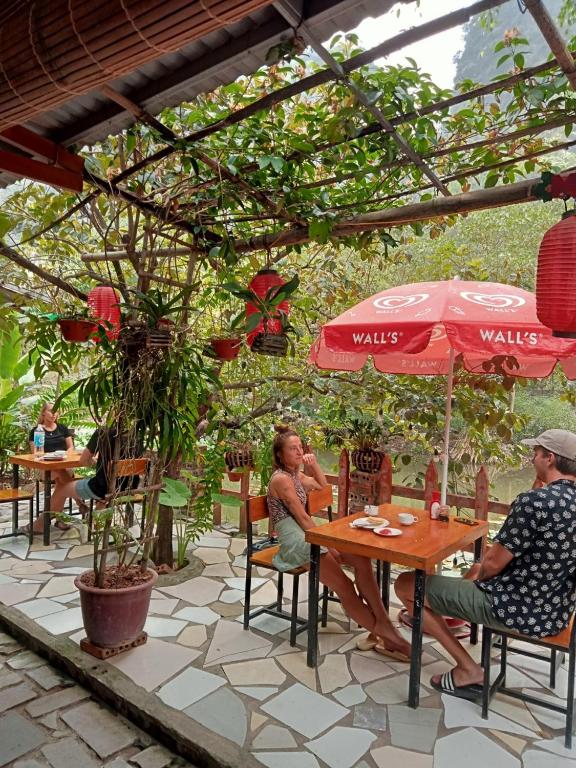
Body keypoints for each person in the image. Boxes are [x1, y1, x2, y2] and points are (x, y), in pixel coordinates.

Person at [395, 428, 576, 701]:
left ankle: (468, 669)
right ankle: (441, 614)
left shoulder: (534, 502)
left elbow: (493, 563)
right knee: (474, 568)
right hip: (555, 612)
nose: (532, 459)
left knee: (407, 585)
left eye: (535, 454)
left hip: (514, 609)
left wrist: (481, 576)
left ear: (549, 458)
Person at [268, 425, 411, 661]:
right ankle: (390, 638)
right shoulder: (282, 479)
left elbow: (323, 485)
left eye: (300, 447)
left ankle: (383, 623)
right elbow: (303, 518)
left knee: (361, 559)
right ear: (280, 455)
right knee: (344, 586)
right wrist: (327, 543)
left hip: (310, 533)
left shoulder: (296, 475)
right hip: (296, 541)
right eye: (292, 449)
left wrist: (313, 464)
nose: (298, 451)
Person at [27, 426, 140, 535]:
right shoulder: (137, 434)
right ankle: (74, 515)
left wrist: (94, 461)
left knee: (61, 489)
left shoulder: (103, 432)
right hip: (130, 487)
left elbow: (83, 461)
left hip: (102, 489)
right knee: (62, 477)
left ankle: (40, 525)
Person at [29, 402, 74, 487]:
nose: (53, 414)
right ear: (43, 413)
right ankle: (78, 500)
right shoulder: (36, 431)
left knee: (63, 471)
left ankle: (56, 499)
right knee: (62, 473)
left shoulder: (62, 428)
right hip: (44, 466)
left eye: (55, 411)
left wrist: (65, 455)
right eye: (50, 411)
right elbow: (34, 452)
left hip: (63, 462)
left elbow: (71, 447)